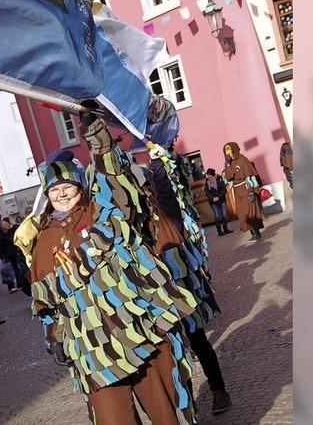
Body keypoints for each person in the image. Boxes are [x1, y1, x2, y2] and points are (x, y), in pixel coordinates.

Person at [14, 112, 199, 424]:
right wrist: (55, 335)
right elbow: (48, 303)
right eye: (53, 189)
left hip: (141, 331)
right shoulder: (42, 241)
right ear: (46, 194)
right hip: (93, 350)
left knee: (166, 413)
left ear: (79, 186)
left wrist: (99, 141)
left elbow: (114, 179)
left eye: (67, 186)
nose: (60, 194)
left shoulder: (101, 210)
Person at [147, 146, 232, 415]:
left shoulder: (166, 212)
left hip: (182, 291)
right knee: (170, 352)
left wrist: (155, 158)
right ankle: (188, 406)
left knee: (198, 341)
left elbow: (161, 184)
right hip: (155, 299)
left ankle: (218, 390)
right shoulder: (130, 225)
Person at [223, 142, 264, 240]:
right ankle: (252, 233)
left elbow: (249, 175)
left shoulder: (242, 159)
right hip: (237, 191)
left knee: (250, 211)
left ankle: (256, 233)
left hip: (246, 188)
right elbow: (229, 177)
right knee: (243, 213)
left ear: (234, 149)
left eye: (229, 149)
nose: (227, 152)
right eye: (225, 150)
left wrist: (251, 191)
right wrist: (228, 164)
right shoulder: (228, 163)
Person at [204, 168, 232, 236]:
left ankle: (225, 229)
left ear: (212, 175)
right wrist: (212, 198)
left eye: (208, 174)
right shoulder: (207, 182)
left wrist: (219, 197)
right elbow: (207, 192)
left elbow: (223, 189)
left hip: (221, 199)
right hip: (213, 202)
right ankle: (219, 231)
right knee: (217, 216)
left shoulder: (219, 179)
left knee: (224, 215)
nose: (207, 176)